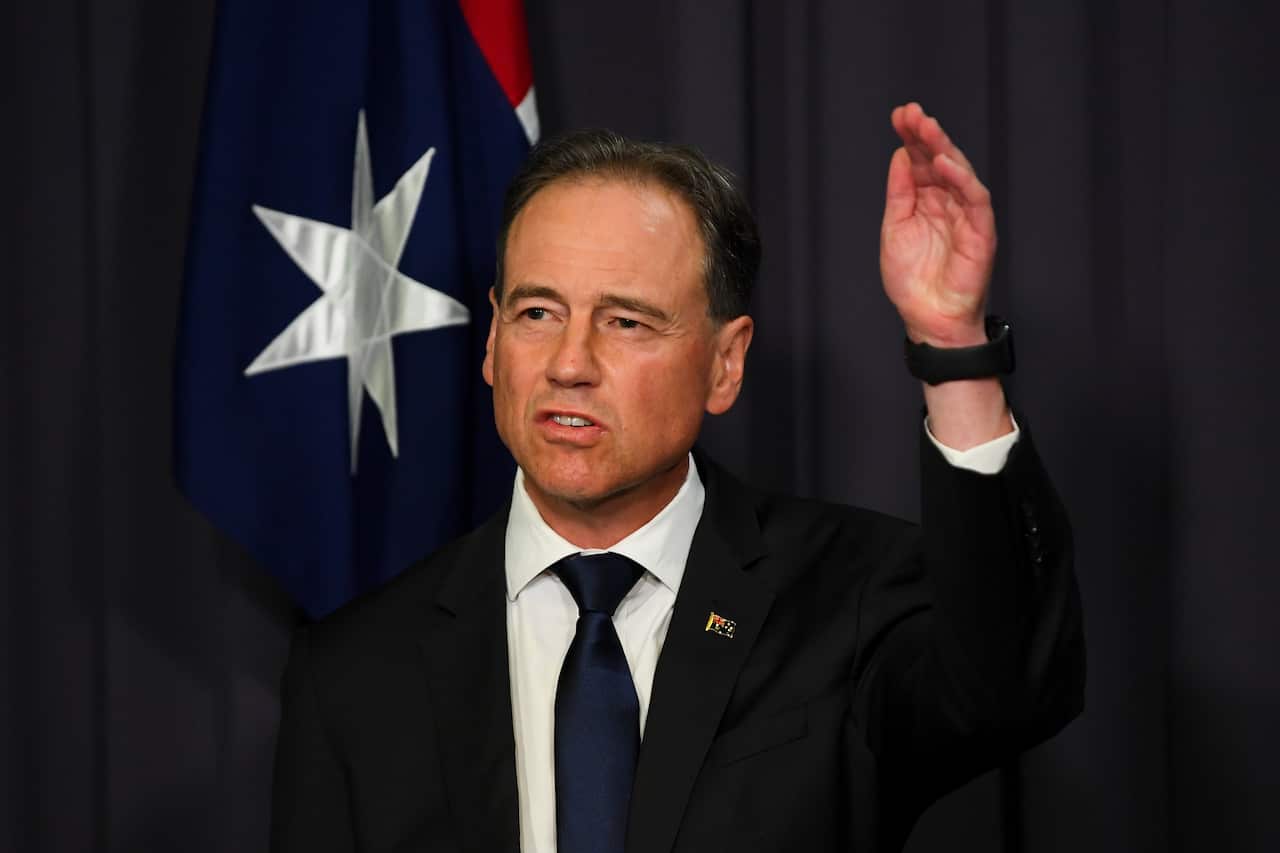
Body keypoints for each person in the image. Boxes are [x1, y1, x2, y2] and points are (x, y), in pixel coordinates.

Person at [270, 102, 1084, 853]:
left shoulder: (850, 596)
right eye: (537, 312)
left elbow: (1012, 685)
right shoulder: (354, 674)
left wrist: (953, 347)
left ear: (725, 364)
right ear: (491, 343)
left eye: (625, 321)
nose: (569, 364)